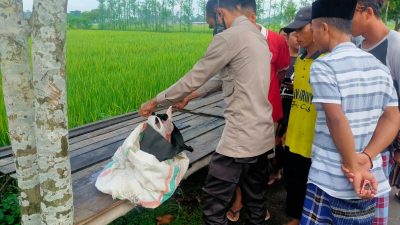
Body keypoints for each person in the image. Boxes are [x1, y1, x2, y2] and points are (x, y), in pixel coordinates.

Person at [139, 0, 275, 224]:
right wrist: (190, 96)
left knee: (213, 204)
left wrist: (156, 101)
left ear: (219, 13)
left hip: (240, 139)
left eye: (212, 24)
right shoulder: (257, 38)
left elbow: (195, 76)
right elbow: (224, 78)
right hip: (262, 136)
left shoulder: (230, 37)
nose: (215, 30)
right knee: (256, 201)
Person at [301, 0, 400, 224]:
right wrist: (366, 157)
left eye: (314, 29)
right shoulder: (379, 67)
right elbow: (393, 117)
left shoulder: (324, 66)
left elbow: (336, 119)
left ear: (324, 28)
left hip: (332, 180)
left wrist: (354, 167)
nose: (313, 36)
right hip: (370, 177)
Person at [223, 1, 290, 222]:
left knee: (259, 164)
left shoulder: (277, 41)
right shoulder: (234, 39)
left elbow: (280, 71)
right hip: (241, 112)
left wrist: (266, 92)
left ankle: (257, 206)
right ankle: (240, 201)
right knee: (240, 161)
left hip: (267, 113)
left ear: (251, 17)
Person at [352, 1, 400, 222]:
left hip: (382, 148)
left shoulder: (395, 47)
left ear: (368, 12)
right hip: (354, 145)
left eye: (351, 12)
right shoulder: (356, 45)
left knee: (374, 209)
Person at [279, 6, 321, 225]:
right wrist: (287, 130)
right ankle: (296, 218)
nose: (296, 34)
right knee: (293, 183)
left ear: (317, 27)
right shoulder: (302, 61)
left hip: (314, 145)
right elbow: (298, 103)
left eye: (300, 29)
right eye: (293, 30)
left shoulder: (326, 64)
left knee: (309, 187)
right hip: (295, 139)